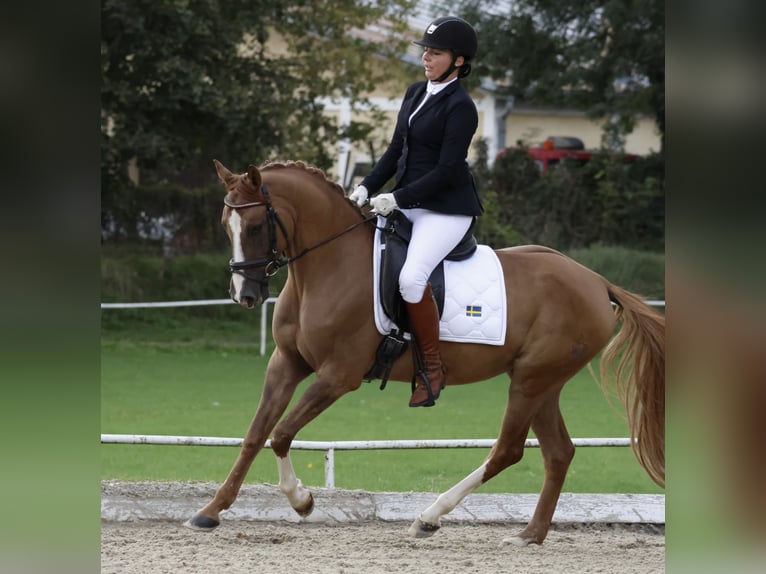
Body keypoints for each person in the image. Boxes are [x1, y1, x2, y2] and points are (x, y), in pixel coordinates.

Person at [348, 16, 483, 407]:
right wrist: (366, 187)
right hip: (408, 201)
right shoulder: (415, 92)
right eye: (425, 50)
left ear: (458, 61)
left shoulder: (462, 107)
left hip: (445, 210)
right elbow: (395, 152)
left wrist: (399, 198)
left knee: (410, 279)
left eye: (436, 53)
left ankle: (432, 368)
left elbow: (447, 170)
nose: (426, 57)